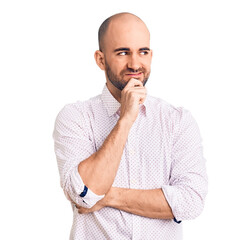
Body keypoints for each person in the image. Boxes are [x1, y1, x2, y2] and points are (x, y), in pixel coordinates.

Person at [53, 12, 208, 239]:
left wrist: (108, 196)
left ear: (151, 55)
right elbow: (83, 194)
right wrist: (125, 120)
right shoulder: (75, 117)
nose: (135, 64)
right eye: (122, 52)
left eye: (142, 52)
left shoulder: (177, 121)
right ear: (101, 59)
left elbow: (191, 202)